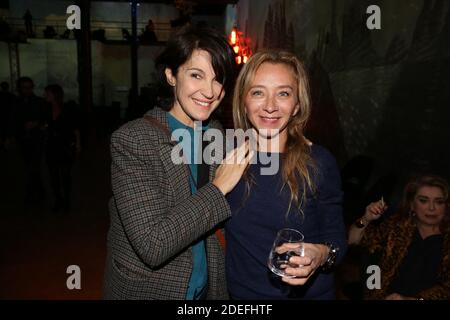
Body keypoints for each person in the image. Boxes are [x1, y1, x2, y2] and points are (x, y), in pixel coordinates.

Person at [103, 25, 252, 300]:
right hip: (152, 291)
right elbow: (153, 244)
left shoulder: (216, 134)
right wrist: (218, 188)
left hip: (207, 290)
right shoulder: (134, 140)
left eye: (218, 79)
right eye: (196, 75)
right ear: (171, 76)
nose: (209, 91)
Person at [225, 50, 347, 299]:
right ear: (243, 101)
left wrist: (320, 255)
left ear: (297, 105)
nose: (270, 106)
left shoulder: (319, 162)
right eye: (258, 92)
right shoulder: (225, 159)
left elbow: (337, 239)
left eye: (283, 93)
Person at [348, 174, 450, 300]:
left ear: (446, 206)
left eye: (439, 202)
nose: (432, 208)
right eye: (423, 200)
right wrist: (366, 218)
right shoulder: (396, 227)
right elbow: (353, 240)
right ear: (412, 205)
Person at [12, 77, 50, 204]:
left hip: (36, 139)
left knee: (33, 166)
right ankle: (38, 191)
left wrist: (36, 123)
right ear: (20, 88)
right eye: (24, 88)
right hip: (23, 139)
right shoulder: (16, 103)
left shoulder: (39, 102)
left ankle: (32, 193)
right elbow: (12, 120)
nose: (27, 90)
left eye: (29, 87)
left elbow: (46, 118)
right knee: (30, 166)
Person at [44, 84, 81, 213]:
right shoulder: (46, 109)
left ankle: (66, 201)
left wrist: (77, 144)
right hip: (51, 146)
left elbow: (75, 127)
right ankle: (58, 200)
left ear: (55, 94)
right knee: (53, 175)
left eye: (48, 93)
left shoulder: (67, 108)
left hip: (64, 145)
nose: (46, 96)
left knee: (65, 175)